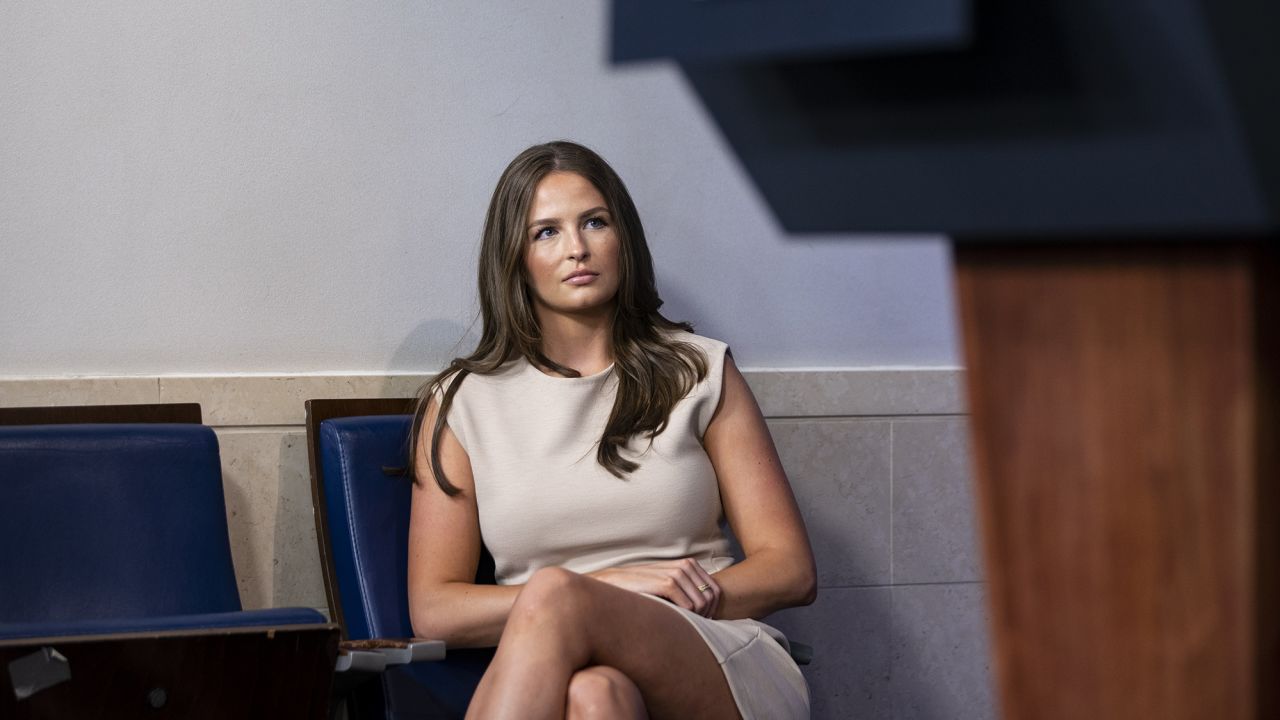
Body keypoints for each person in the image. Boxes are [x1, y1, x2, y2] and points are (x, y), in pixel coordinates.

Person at [407, 140, 816, 719]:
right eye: (545, 232)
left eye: (594, 222)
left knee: (555, 593)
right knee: (594, 698)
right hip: (559, 666)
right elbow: (434, 608)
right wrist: (607, 588)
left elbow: (791, 570)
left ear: (622, 236)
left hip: (711, 649)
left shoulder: (699, 369)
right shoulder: (460, 403)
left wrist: (667, 596)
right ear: (514, 258)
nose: (576, 248)